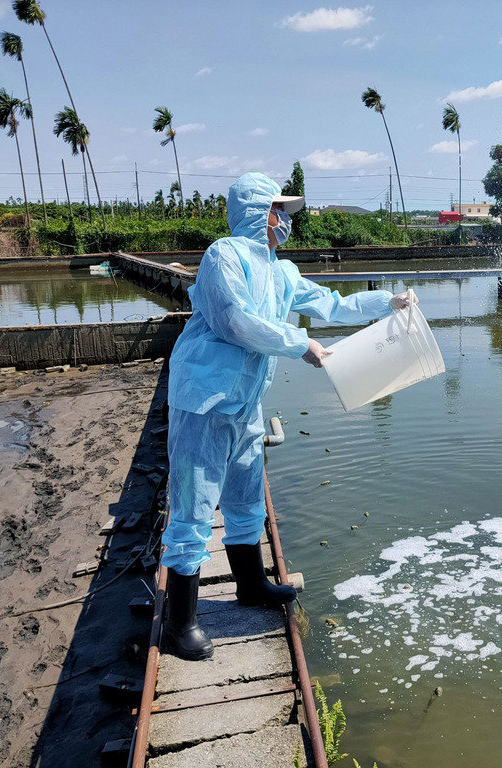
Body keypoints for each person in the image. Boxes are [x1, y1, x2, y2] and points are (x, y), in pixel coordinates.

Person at [161, 172, 414, 660]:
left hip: (244, 401)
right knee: (194, 507)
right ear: (258, 212)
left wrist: (389, 301)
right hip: (204, 399)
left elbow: (330, 303)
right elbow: (235, 322)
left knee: (244, 495)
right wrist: (300, 344)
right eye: (280, 211)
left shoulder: (281, 272)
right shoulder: (223, 257)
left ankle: (251, 585)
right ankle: (179, 624)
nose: (285, 222)